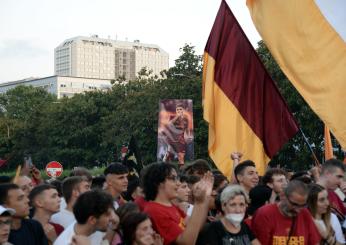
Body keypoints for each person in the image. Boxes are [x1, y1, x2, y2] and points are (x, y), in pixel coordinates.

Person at [142, 162, 213, 245]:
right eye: (173, 178)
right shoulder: (154, 210)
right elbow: (187, 242)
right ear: (158, 183)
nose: (178, 183)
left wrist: (205, 197)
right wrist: (199, 202)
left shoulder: (171, 206)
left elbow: (196, 227)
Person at [252, 180, 321, 244]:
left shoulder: (304, 213)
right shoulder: (265, 214)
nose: (298, 210)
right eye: (294, 204)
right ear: (282, 196)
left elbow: (315, 242)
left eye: (303, 205)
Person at [316, 159, 346, 223]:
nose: (340, 181)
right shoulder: (310, 195)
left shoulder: (333, 193)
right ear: (327, 173)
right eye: (339, 176)